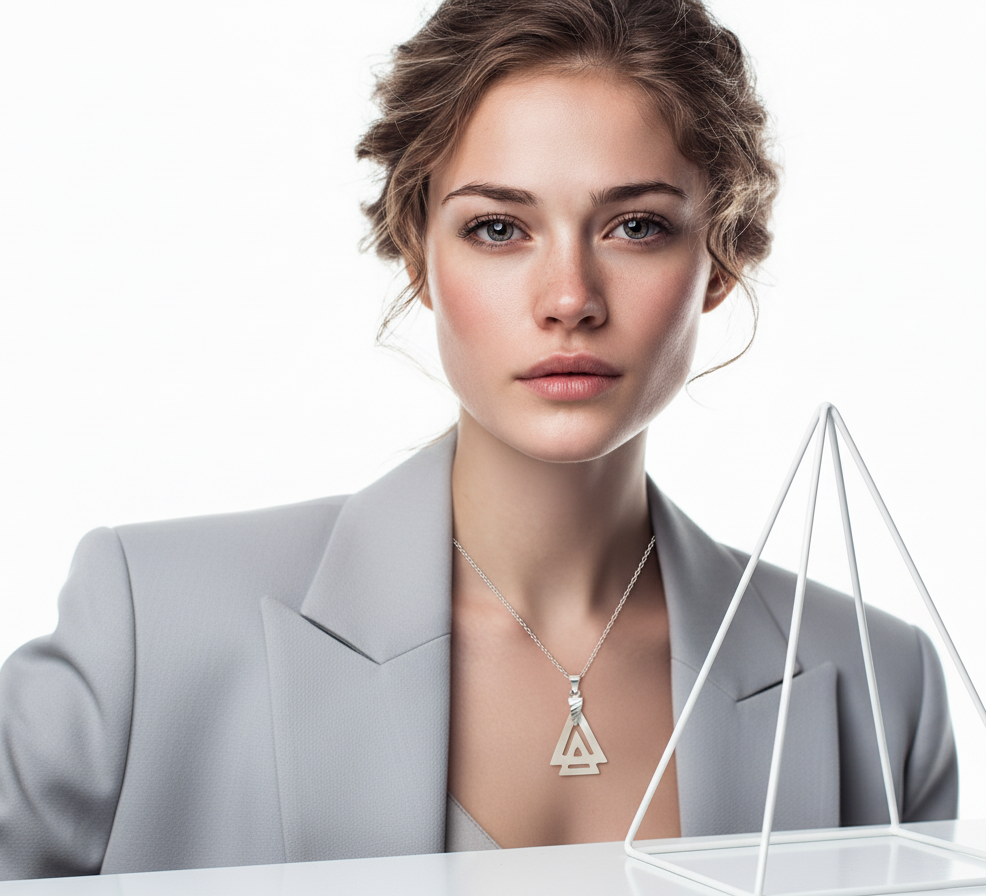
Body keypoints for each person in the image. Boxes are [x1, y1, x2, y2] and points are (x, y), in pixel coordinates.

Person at [0, 0, 957, 882]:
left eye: (636, 226)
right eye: (499, 228)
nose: (570, 299)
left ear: (722, 259)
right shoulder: (150, 627)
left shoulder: (880, 686)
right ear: (418, 255)